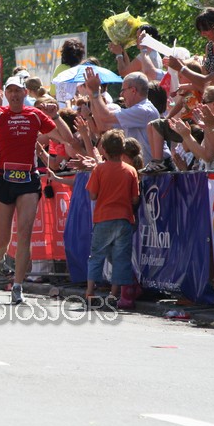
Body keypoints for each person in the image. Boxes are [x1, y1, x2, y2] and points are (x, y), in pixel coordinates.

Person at [0, 74, 68, 304]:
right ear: (6, 94)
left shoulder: (35, 115)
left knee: (24, 234)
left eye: (19, 90)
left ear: (25, 93)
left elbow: (65, 138)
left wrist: (55, 115)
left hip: (28, 180)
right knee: (2, 241)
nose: (15, 95)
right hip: (3, 179)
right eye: (11, 91)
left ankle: (17, 287)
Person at [85, 130, 139, 308]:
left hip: (103, 218)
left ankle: (90, 293)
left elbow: (93, 195)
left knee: (96, 256)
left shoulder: (99, 169)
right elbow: (135, 199)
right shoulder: (131, 170)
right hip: (124, 218)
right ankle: (114, 295)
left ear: (104, 150)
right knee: (120, 257)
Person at [85, 69, 166, 164]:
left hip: (158, 168)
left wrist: (96, 93)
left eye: (123, 90)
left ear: (133, 90)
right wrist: (92, 95)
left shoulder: (144, 110)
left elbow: (105, 117)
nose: (121, 94)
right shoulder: (134, 110)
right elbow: (103, 125)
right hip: (145, 167)